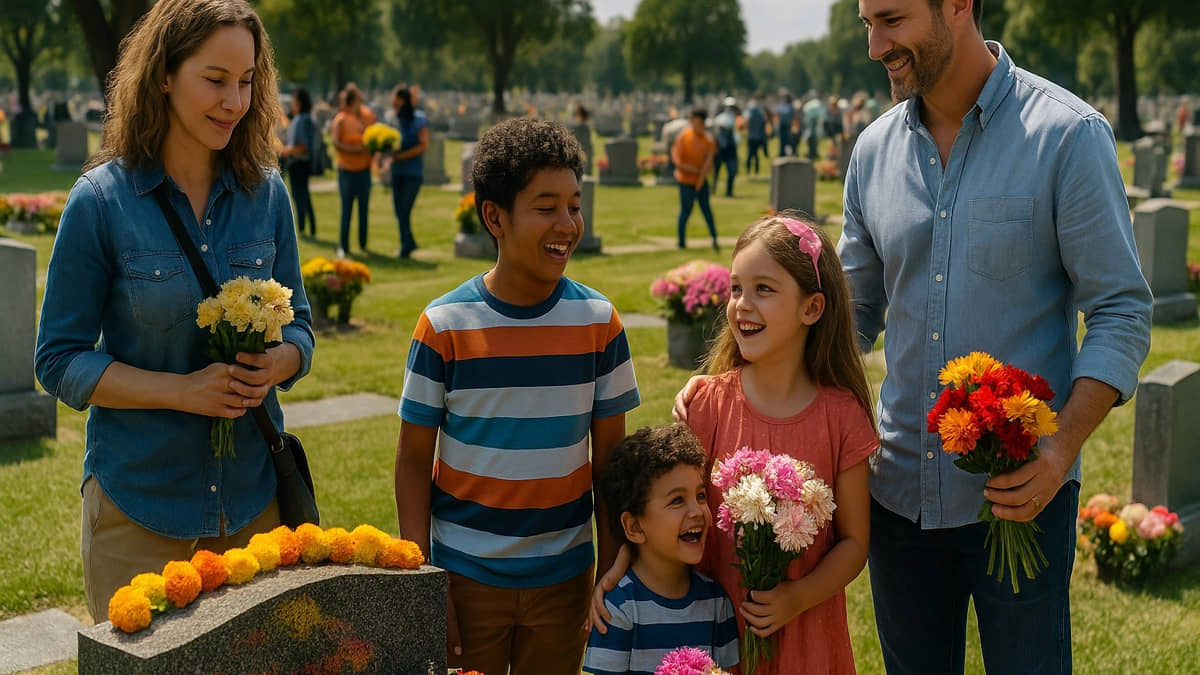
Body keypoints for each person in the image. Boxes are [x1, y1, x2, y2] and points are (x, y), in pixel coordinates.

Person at [841, 1, 1151, 672]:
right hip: (896, 500)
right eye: (866, 23)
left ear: (956, 6)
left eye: (890, 20)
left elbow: (1122, 308)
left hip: (1024, 499)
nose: (874, 45)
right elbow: (849, 317)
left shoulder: (1068, 135)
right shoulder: (871, 151)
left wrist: (1061, 444)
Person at [33, 0, 314, 624]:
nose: (235, 102)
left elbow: (302, 325)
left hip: (252, 505)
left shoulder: (267, 194)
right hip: (139, 506)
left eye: (247, 82)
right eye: (215, 80)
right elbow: (59, 361)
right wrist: (181, 391)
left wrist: (279, 361)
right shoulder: (100, 202)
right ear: (163, 74)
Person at [394, 118, 640, 675]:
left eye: (575, 205)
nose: (568, 223)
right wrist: (424, 582)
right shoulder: (444, 326)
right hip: (466, 579)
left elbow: (610, 468)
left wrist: (608, 571)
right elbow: (412, 462)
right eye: (546, 206)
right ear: (494, 217)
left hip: (565, 583)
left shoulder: (600, 323)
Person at [595, 215, 877, 674]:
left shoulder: (841, 417)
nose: (743, 305)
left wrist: (795, 598)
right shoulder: (707, 406)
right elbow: (672, 506)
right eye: (736, 288)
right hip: (710, 634)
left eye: (764, 289)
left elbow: (854, 543)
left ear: (812, 308)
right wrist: (625, 556)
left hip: (807, 635)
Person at [582, 424, 739, 675]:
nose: (697, 511)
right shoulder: (619, 610)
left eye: (700, 495)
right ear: (634, 526)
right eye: (677, 500)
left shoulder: (716, 603)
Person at [330, 82, 376, 257]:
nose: (361, 101)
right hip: (347, 171)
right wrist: (355, 150)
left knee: (363, 209)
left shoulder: (367, 116)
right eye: (357, 98)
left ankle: (363, 244)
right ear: (351, 100)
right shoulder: (341, 119)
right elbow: (336, 143)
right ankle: (344, 245)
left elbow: (374, 135)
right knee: (347, 209)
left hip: (364, 170)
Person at [386, 85, 428, 258]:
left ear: (402, 100)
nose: (392, 101)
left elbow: (423, 145)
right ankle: (410, 242)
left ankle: (405, 248)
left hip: (413, 173)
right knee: (399, 211)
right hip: (397, 172)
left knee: (404, 209)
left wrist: (401, 156)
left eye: (395, 98)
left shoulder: (419, 119)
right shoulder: (395, 120)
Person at [670, 108, 718, 251]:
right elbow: (677, 160)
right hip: (685, 181)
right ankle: (681, 241)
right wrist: (692, 170)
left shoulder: (708, 141)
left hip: (701, 182)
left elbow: (710, 164)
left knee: (706, 210)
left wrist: (702, 175)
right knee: (685, 210)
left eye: (697, 121)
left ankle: (714, 238)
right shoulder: (684, 137)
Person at [281, 88, 317, 236]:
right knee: (305, 195)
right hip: (306, 163)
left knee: (298, 196)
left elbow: (301, 146)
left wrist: (285, 150)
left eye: (294, 101)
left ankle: (302, 227)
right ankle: (312, 226)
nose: (292, 104)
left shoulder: (299, 120)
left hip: (297, 162)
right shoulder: (310, 119)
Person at [712, 97, 739, 198]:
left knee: (732, 170)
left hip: (730, 148)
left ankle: (729, 190)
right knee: (716, 170)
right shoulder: (720, 118)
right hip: (720, 148)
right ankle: (713, 188)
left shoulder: (734, 118)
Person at [744, 93, 770, 175]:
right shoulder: (760, 110)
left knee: (751, 154)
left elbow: (747, 121)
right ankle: (755, 171)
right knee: (755, 154)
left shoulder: (751, 109)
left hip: (752, 136)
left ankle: (750, 170)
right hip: (757, 136)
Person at [774, 89, 795, 157]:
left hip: (788, 126)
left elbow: (786, 113)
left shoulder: (790, 106)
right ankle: (782, 153)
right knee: (782, 141)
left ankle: (788, 154)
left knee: (788, 141)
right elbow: (778, 112)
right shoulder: (782, 105)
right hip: (782, 125)